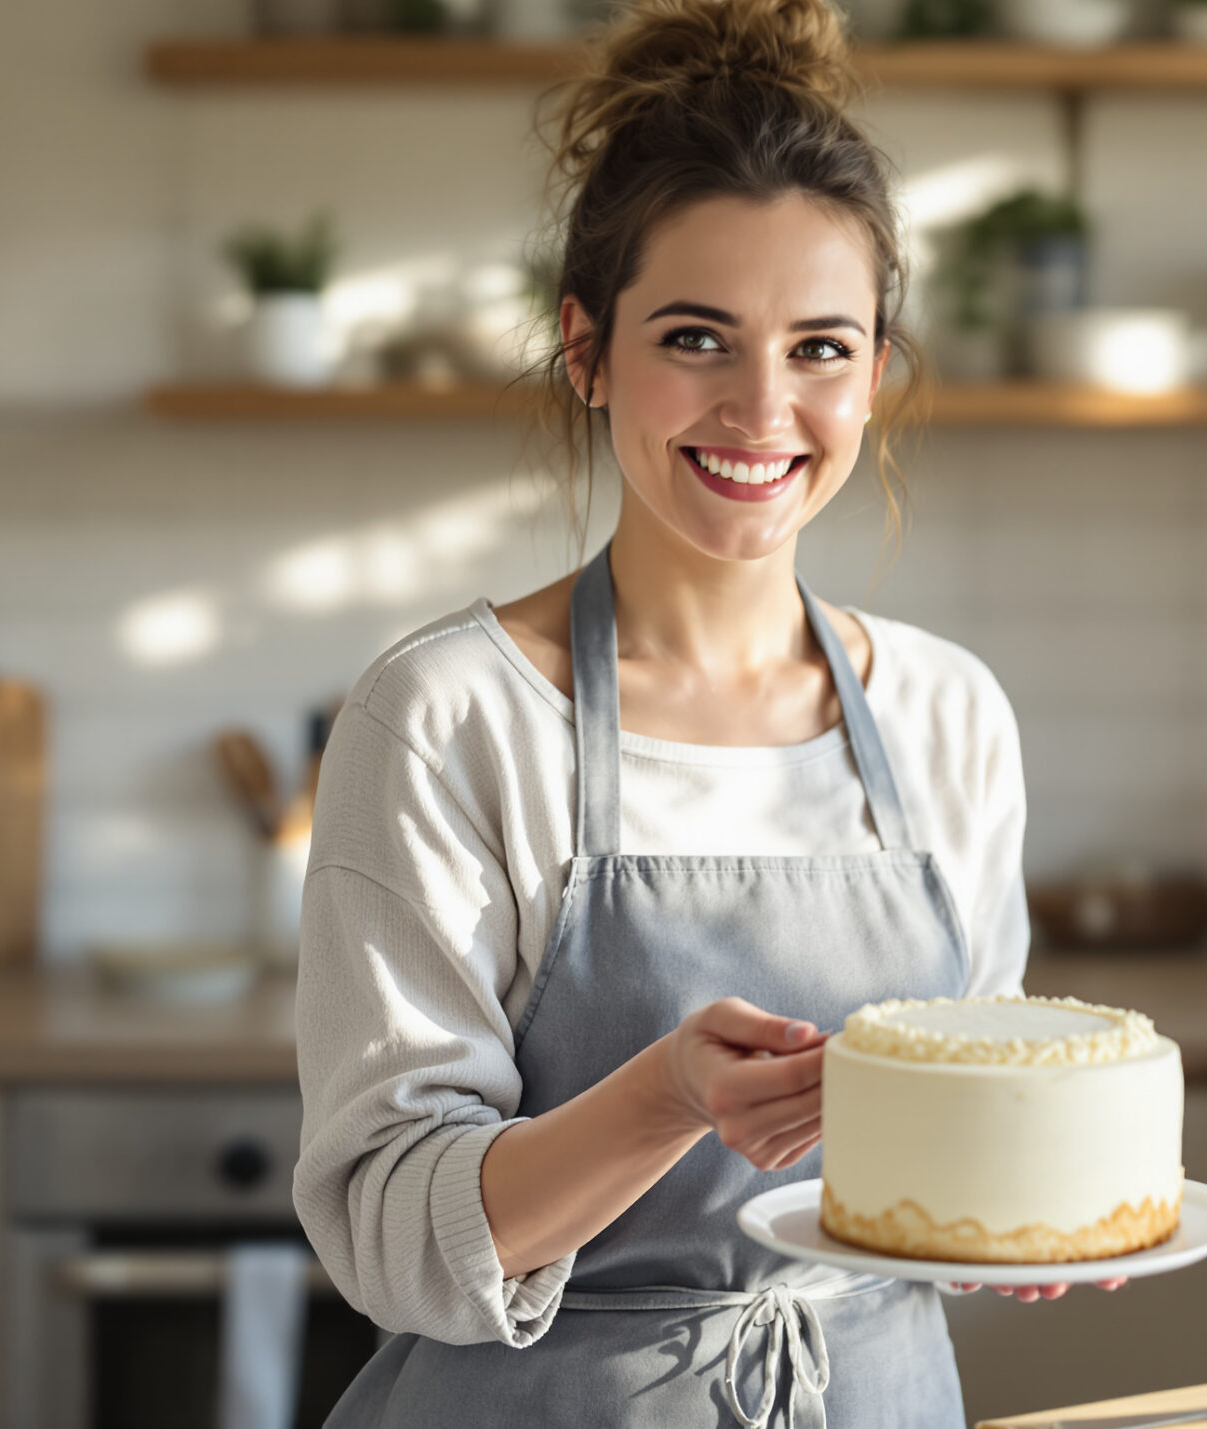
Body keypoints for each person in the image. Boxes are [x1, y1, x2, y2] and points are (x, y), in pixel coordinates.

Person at [291, 0, 1111, 1422]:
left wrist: (1026, 1198)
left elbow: (955, 1135)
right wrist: (666, 1091)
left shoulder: (944, 713)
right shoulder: (448, 717)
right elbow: (387, 1227)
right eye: (696, 336)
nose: (760, 409)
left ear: (876, 374)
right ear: (585, 348)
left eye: (819, 348)